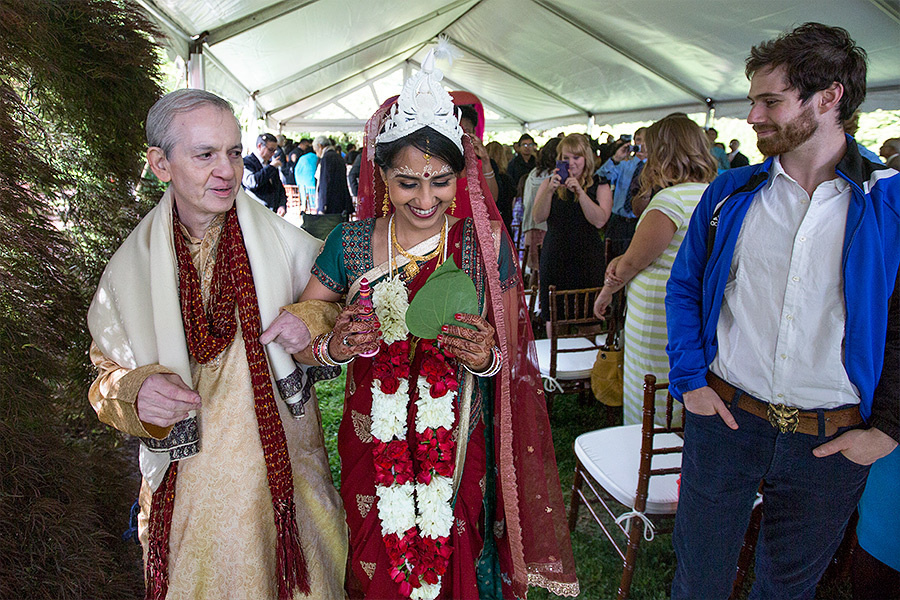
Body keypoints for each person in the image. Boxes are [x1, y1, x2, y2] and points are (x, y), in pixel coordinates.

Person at [288, 50, 578, 600]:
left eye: (440, 182)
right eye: (407, 183)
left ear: (460, 177)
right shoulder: (349, 245)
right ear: (381, 176)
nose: (425, 200)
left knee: (454, 556)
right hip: (374, 434)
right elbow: (302, 335)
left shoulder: (484, 246)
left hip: (458, 432)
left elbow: (512, 353)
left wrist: (484, 356)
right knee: (378, 560)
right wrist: (335, 345)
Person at [665, 23, 900, 599]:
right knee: (699, 582)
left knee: (787, 591)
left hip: (829, 440)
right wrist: (690, 379)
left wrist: (889, 429)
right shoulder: (730, 192)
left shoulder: (888, 202)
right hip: (726, 419)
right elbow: (685, 287)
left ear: (829, 98)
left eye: (770, 101)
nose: (752, 117)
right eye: (752, 101)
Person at [86, 89, 347, 598]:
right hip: (190, 502)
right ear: (160, 164)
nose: (227, 170)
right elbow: (104, 379)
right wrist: (134, 392)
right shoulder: (128, 273)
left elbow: (342, 311)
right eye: (205, 155)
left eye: (232, 151)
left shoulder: (286, 245)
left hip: (286, 488)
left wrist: (310, 321)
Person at [593, 116, 718, 425]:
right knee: (677, 380)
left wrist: (609, 286)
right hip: (696, 306)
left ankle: (644, 450)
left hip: (657, 310)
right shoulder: (717, 195)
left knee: (648, 385)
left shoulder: (670, 201)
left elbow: (635, 261)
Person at [534, 133, 612, 328]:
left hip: (588, 260)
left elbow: (600, 221)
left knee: (588, 320)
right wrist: (550, 191)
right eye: (566, 158)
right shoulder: (548, 183)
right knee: (555, 319)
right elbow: (538, 217)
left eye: (576, 157)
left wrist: (580, 193)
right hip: (555, 259)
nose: (571, 163)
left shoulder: (600, 184)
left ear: (587, 158)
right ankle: (554, 358)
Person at [597, 128, 647, 258]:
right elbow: (600, 177)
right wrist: (615, 158)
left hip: (640, 223)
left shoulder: (655, 169)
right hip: (618, 222)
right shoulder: (624, 164)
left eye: (647, 140)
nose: (642, 145)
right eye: (638, 140)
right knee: (608, 257)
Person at [520, 137, 560, 273]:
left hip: (531, 225)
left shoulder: (533, 173)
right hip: (546, 227)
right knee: (547, 270)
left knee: (535, 271)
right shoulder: (555, 178)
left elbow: (526, 201)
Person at [242, 132, 287, 215]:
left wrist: (282, 205)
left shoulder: (271, 164)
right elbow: (252, 182)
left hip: (272, 212)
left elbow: (279, 187)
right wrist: (271, 167)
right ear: (259, 146)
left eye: (275, 151)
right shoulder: (246, 162)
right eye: (270, 150)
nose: (273, 154)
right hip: (255, 212)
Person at [313, 135, 354, 214]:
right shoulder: (338, 157)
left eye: (316, 150)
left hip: (331, 202)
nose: (317, 154)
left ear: (320, 146)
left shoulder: (326, 158)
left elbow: (325, 182)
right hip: (341, 201)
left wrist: (322, 206)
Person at [294, 139, 318, 213]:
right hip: (315, 185)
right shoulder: (317, 158)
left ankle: (304, 208)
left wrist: (299, 183)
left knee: (304, 197)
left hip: (303, 186)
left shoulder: (302, 158)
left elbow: (296, 170)